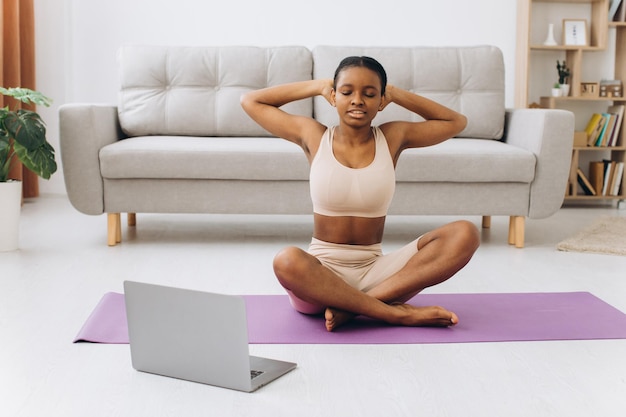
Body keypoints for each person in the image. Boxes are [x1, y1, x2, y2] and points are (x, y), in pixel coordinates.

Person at [241, 56, 480, 332]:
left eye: (369, 94)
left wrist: (395, 94)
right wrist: (319, 86)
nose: (357, 100)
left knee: (466, 233)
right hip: (320, 276)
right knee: (286, 260)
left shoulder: (393, 136)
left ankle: (353, 309)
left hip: (377, 275)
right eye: (346, 92)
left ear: (381, 101)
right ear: (334, 96)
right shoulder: (314, 135)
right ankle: (395, 314)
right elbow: (251, 101)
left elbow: (456, 121)